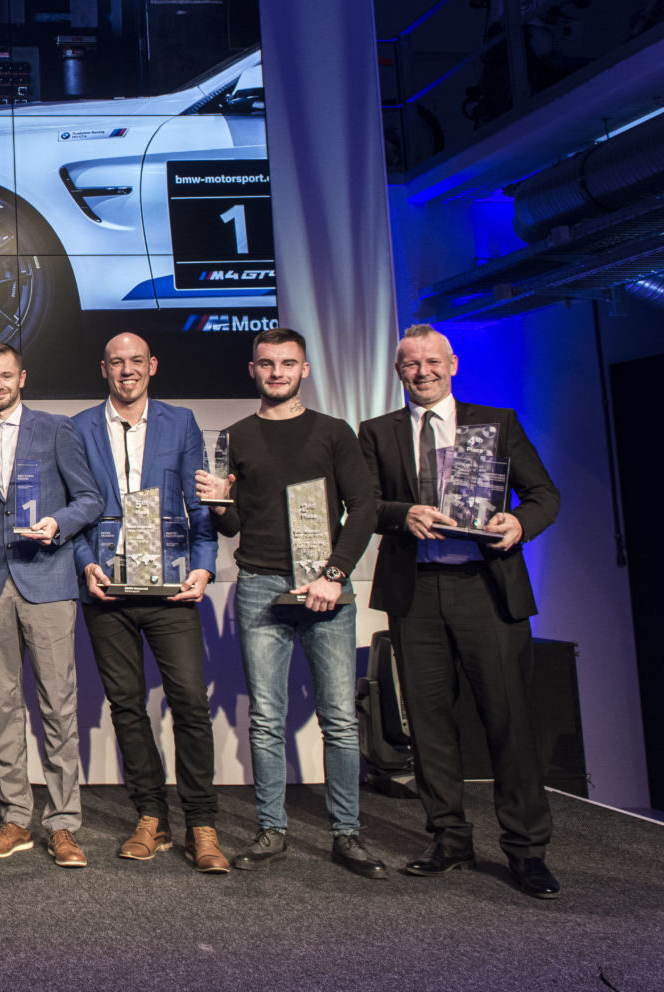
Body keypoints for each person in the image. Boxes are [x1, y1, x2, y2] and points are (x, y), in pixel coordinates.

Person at [358, 324, 563, 898]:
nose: (421, 372)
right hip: (415, 591)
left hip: (485, 588)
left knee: (508, 719)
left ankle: (525, 849)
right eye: (409, 365)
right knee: (428, 725)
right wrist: (403, 515)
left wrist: (519, 524)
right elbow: (365, 503)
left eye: (430, 362)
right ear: (398, 372)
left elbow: (545, 495)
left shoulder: (495, 423)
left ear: (452, 364)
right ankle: (449, 838)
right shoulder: (377, 432)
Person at [197, 327, 384, 878]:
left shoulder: (333, 433)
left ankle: (347, 834)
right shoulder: (234, 436)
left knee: (341, 720)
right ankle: (271, 829)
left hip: (326, 588)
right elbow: (233, 525)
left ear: (304, 369)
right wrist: (216, 504)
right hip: (259, 584)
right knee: (266, 719)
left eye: (287, 363)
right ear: (252, 370)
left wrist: (334, 574)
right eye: (266, 364)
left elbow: (365, 507)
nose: (276, 372)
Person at [72, 332, 228, 873]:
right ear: (104, 369)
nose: (127, 371)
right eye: (117, 362)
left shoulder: (180, 423)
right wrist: (85, 563)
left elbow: (201, 504)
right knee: (126, 706)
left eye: (136, 361)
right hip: (106, 587)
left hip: (172, 585)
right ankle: (151, 817)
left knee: (189, 701)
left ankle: (203, 824)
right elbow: (76, 506)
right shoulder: (80, 427)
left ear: (152, 366)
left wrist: (206, 566)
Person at [0, 343, 101, 868]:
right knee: (2, 707)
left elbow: (89, 499)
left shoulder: (55, 428)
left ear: (23, 377)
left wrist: (57, 525)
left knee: (58, 706)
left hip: (47, 580)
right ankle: (17, 815)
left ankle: (63, 823)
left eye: (6, 375)